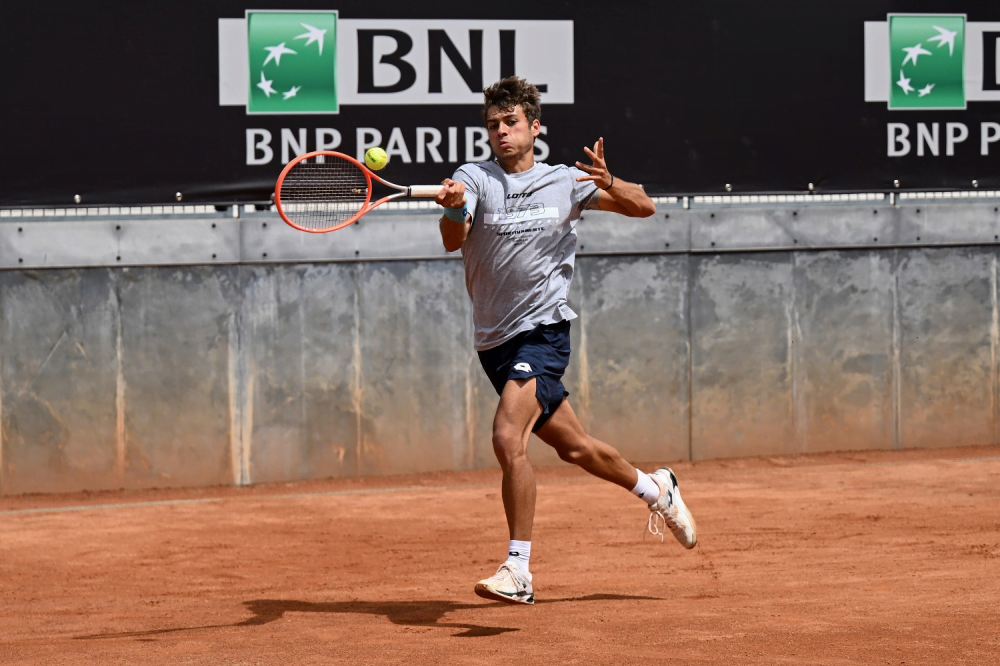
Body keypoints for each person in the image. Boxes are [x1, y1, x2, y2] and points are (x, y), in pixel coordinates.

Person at [434, 76, 697, 605]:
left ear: (535, 126)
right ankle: (657, 489)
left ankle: (519, 570)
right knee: (577, 449)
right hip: (495, 343)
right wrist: (453, 206)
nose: (500, 133)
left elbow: (644, 206)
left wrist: (611, 181)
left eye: (510, 123)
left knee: (509, 437)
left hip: (544, 331)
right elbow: (452, 240)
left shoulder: (564, 182)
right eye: (492, 125)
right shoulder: (474, 178)